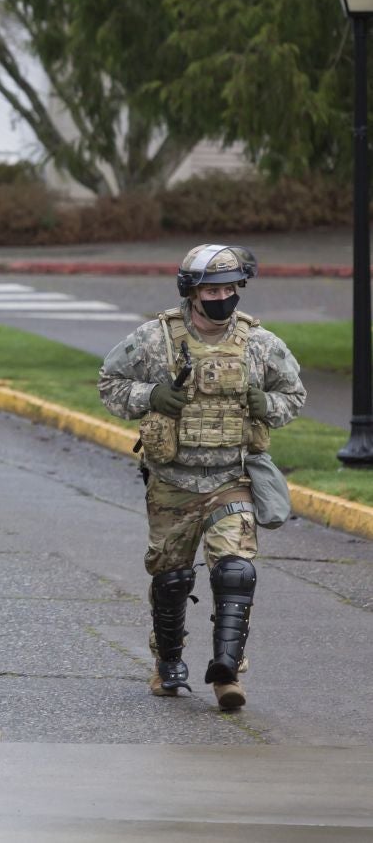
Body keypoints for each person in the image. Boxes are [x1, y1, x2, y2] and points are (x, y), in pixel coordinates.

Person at [99, 244, 305, 711]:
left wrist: (267, 404)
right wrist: (152, 396)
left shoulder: (259, 343)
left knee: (235, 571)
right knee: (171, 578)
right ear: (192, 292)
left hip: (231, 477)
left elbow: (293, 394)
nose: (222, 298)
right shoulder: (155, 340)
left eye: (230, 288)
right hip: (172, 483)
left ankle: (227, 670)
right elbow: (109, 383)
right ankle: (168, 662)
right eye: (212, 290)